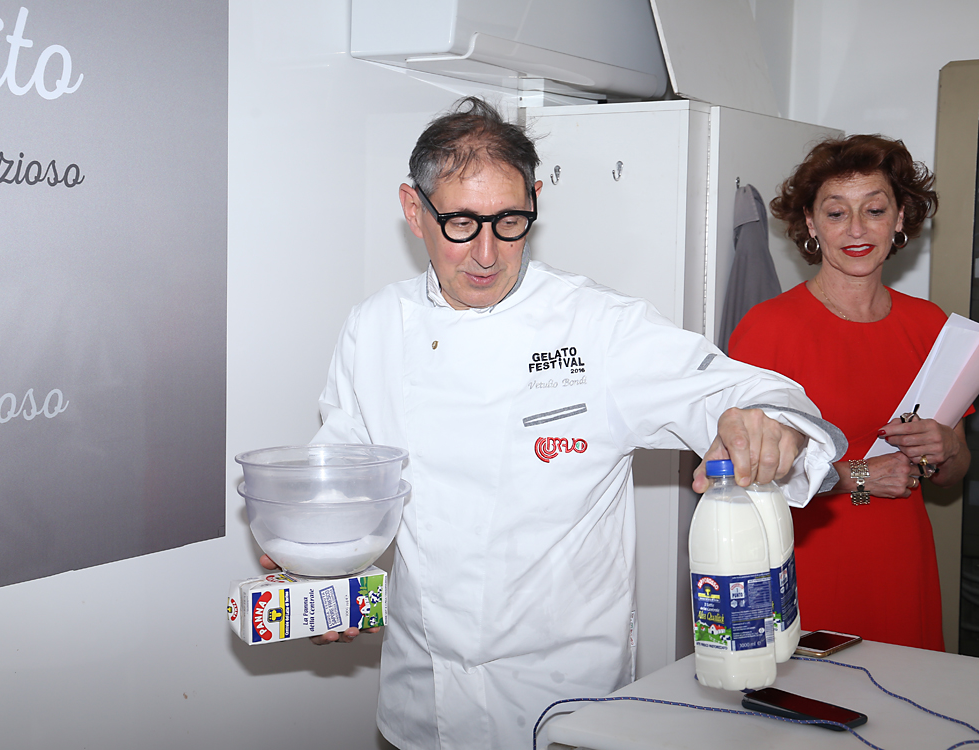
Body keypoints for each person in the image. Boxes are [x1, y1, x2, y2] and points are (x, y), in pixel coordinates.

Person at [267, 97, 840, 749]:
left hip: (565, 701)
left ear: (535, 202)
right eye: (459, 223)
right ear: (412, 210)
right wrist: (316, 562)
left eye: (509, 222)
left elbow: (740, 390)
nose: (486, 253)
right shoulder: (373, 328)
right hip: (419, 699)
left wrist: (768, 424)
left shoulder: (596, 325)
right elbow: (346, 475)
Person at [728, 134, 973, 651]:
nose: (857, 230)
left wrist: (948, 449)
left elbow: (952, 477)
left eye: (875, 210)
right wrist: (857, 476)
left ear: (901, 218)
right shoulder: (769, 329)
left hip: (903, 559)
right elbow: (743, 473)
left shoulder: (930, 326)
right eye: (837, 213)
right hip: (811, 558)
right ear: (812, 226)